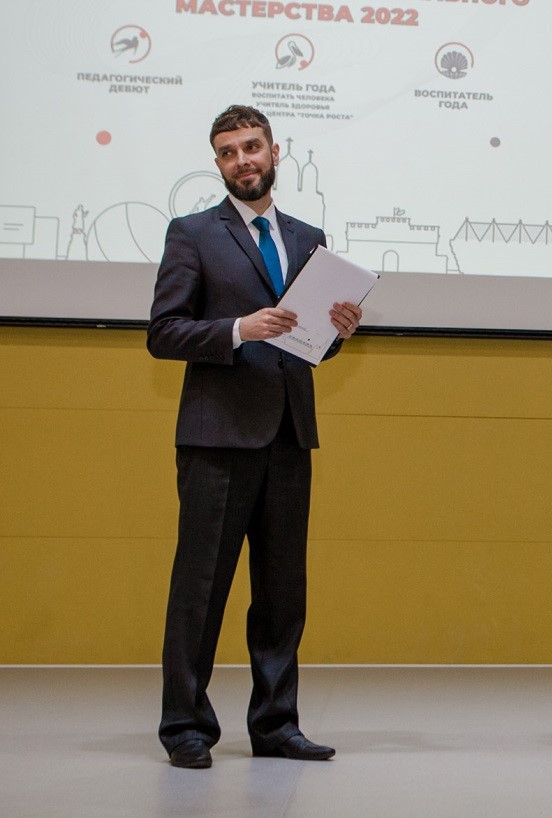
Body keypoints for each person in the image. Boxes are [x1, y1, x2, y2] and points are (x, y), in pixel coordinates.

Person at [149, 105, 363, 769]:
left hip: (289, 436)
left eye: (251, 146)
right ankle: (186, 727)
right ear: (218, 164)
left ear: (274, 151)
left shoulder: (308, 237)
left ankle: (275, 726)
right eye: (228, 152)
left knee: (281, 594)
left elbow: (306, 342)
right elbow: (163, 332)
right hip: (216, 440)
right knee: (200, 590)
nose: (242, 160)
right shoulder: (192, 234)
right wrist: (239, 329)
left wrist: (338, 333)